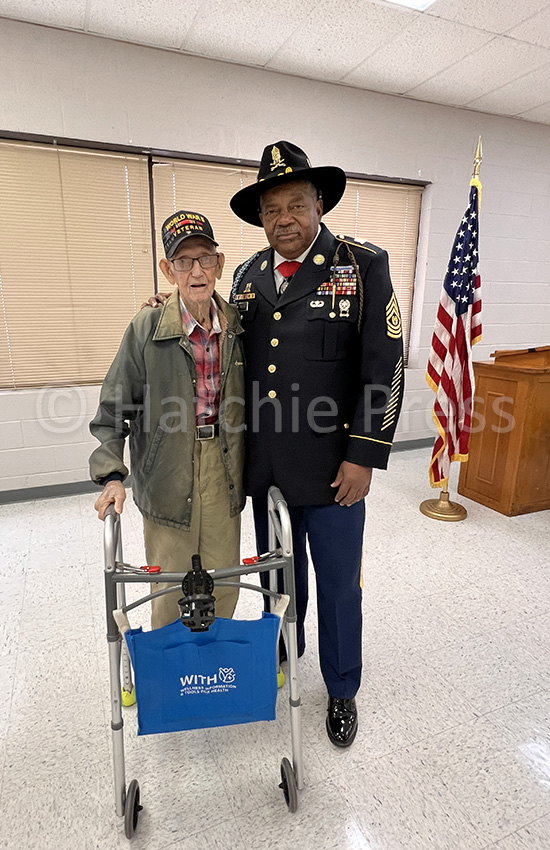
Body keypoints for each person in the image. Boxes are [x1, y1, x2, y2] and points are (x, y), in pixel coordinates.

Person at [228, 141, 405, 746]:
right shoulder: (247, 276)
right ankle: (285, 655)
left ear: (319, 204)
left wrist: (364, 454)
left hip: (336, 472)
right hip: (268, 470)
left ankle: (342, 687)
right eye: (272, 209)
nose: (284, 219)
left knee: (337, 585)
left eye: (295, 205)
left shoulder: (362, 266)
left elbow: (385, 366)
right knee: (280, 579)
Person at [89, 211, 246, 629]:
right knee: (171, 585)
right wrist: (111, 475)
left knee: (225, 580)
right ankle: (168, 662)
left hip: (224, 466)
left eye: (205, 258)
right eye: (183, 261)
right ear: (167, 269)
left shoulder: (237, 324)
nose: (196, 271)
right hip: (167, 469)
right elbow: (113, 408)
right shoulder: (147, 326)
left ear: (219, 264)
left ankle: (215, 660)